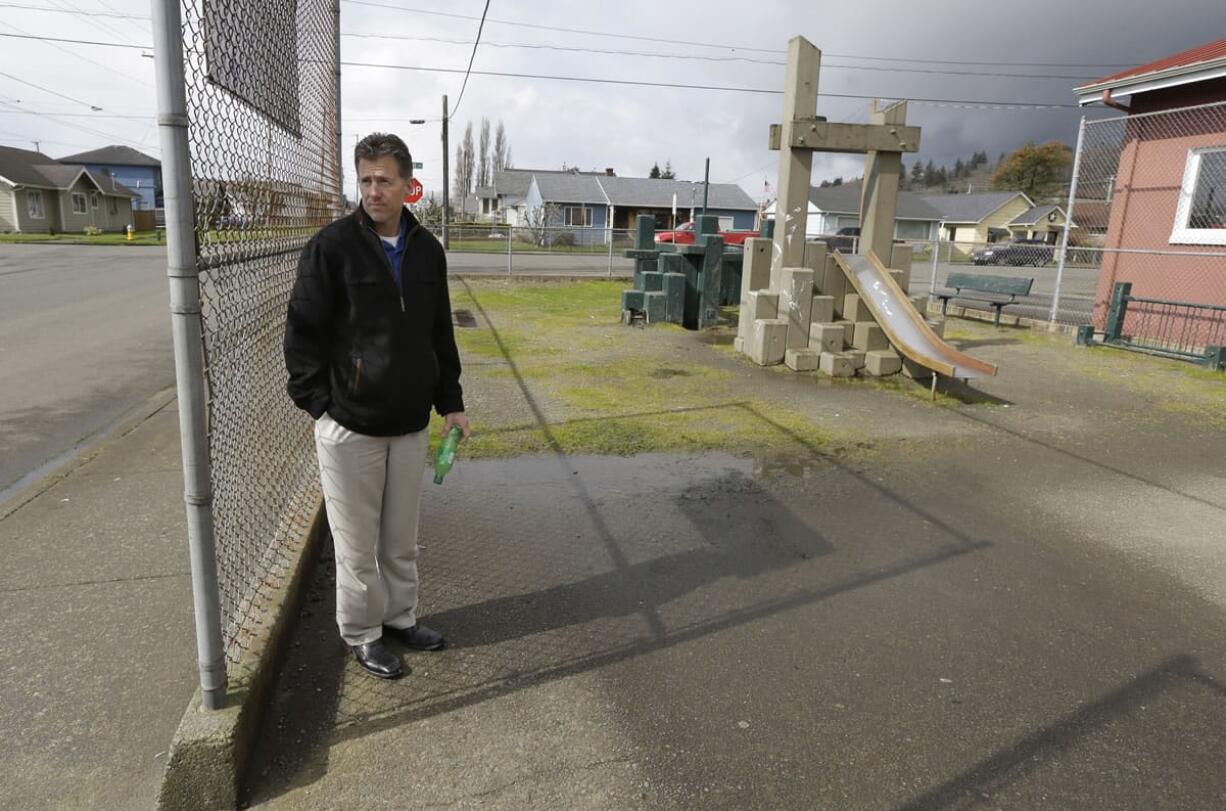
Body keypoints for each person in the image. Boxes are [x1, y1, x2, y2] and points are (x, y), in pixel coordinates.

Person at [284, 132, 470, 679]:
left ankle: (400, 619)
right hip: (350, 428)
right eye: (364, 180)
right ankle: (363, 634)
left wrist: (451, 403)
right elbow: (302, 333)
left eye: (384, 180)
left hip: (409, 426)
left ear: (409, 186)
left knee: (399, 540)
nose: (372, 191)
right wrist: (320, 404)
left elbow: (440, 335)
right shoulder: (332, 247)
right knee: (357, 546)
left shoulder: (428, 251)